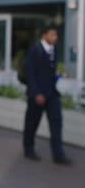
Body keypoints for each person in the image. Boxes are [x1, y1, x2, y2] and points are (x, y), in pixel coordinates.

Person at [23, 26, 72, 165]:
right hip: (37, 95)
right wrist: (37, 93)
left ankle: (58, 154)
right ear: (44, 36)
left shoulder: (54, 49)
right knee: (32, 122)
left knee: (56, 122)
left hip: (52, 94)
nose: (55, 37)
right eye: (52, 35)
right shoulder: (34, 50)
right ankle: (29, 149)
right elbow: (30, 74)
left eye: (56, 35)